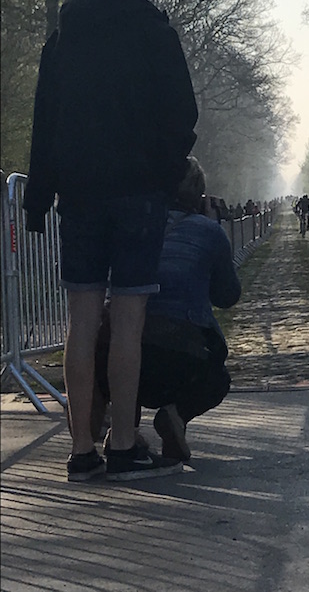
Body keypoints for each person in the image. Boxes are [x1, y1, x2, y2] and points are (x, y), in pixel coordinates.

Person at [23, 0, 198, 482]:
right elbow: (183, 115)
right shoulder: (154, 31)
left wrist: (38, 191)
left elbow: (44, 115)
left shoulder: (65, 33)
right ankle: (124, 443)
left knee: (80, 319)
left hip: (78, 191)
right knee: (128, 319)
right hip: (139, 194)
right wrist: (167, 174)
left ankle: (80, 450)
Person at [93, 158, 241, 463]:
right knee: (218, 378)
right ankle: (175, 416)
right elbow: (228, 296)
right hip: (182, 359)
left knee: (123, 341)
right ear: (199, 196)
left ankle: (124, 431)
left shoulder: (132, 224)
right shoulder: (209, 232)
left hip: (117, 351)